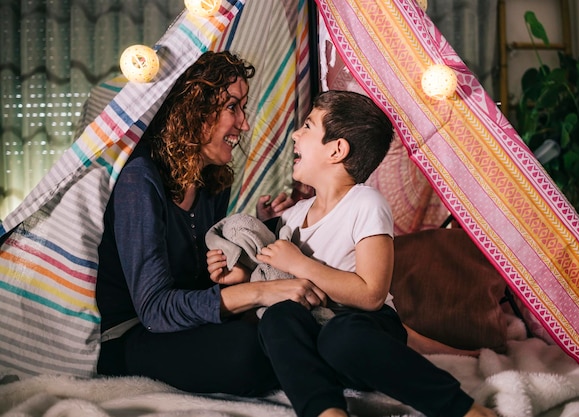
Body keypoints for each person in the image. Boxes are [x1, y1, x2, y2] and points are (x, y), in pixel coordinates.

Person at [95, 50, 327, 396]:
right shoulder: (139, 181)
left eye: (242, 108)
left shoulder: (213, 180)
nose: (244, 123)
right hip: (134, 334)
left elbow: (200, 278)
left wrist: (255, 240)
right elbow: (155, 309)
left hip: (187, 324)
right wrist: (261, 292)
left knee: (287, 329)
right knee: (248, 349)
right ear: (193, 109)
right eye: (233, 106)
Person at [253, 90, 497, 417]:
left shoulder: (365, 203)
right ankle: (326, 411)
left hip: (363, 331)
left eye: (308, 126)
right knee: (278, 318)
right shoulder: (294, 214)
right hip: (315, 334)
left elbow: (371, 295)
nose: (296, 134)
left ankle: (463, 410)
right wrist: (258, 228)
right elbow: (273, 276)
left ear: (337, 150)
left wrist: (300, 263)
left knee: (341, 336)